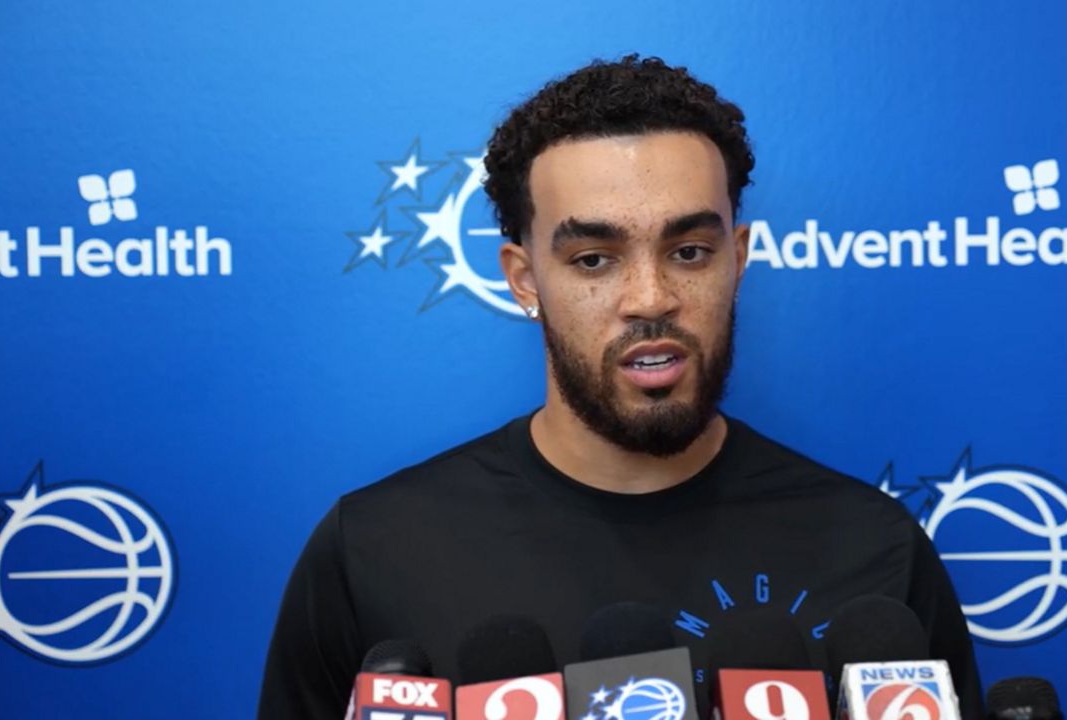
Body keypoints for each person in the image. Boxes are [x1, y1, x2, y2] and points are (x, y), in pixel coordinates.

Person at [258, 55, 983, 719]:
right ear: (523, 280)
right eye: (594, 260)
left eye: (689, 251)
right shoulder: (373, 550)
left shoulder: (875, 550)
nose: (650, 298)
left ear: (737, 259)